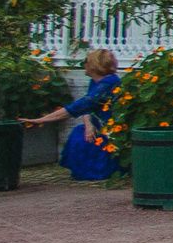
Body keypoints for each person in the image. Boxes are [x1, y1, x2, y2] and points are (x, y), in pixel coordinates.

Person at [27, 50, 121, 181]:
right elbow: (88, 107)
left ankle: (98, 172)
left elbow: (78, 107)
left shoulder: (108, 84)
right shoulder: (95, 82)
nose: (84, 66)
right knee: (80, 133)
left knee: (87, 140)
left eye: (86, 63)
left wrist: (41, 120)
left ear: (94, 65)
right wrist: (88, 124)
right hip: (96, 124)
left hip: (111, 129)